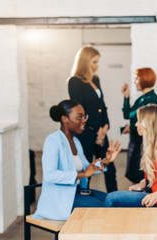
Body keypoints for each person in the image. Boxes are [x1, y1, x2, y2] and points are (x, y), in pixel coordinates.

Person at [33, 100, 121, 220]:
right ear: (65, 119)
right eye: (79, 117)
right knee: (106, 211)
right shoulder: (52, 141)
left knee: (114, 202)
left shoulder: (76, 142)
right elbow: (50, 175)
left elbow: (87, 167)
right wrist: (83, 174)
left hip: (78, 192)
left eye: (84, 116)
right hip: (61, 200)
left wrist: (106, 161)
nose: (84, 120)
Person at [104, 104, 157, 207]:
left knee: (111, 199)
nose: (136, 124)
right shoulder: (154, 144)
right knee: (107, 198)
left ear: (149, 124)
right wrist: (143, 183)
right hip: (155, 196)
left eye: (139, 121)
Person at [68, 46, 117, 192]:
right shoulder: (74, 82)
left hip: (101, 131)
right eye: (94, 62)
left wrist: (105, 127)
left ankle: (115, 200)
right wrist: (98, 131)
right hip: (86, 133)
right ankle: (84, 200)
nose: (96, 66)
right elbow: (80, 111)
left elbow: (102, 106)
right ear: (85, 62)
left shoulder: (96, 79)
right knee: (87, 169)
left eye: (97, 62)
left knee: (109, 168)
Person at [121, 68, 157, 183]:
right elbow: (127, 115)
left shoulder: (152, 99)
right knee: (133, 174)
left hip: (142, 142)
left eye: (137, 78)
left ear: (144, 79)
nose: (134, 81)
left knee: (138, 175)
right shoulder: (141, 99)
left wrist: (131, 127)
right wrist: (126, 97)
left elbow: (150, 123)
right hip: (135, 141)